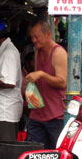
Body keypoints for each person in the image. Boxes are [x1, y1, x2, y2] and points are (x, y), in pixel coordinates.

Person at [25, 20, 67, 149]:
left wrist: (42, 74)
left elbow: (62, 82)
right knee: (34, 151)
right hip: (37, 113)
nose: (34, 40)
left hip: (55, 114)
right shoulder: (38, 51)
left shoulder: (58, 53)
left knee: (56, 152)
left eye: (36, 36)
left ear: (48, 34)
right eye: (32, 37)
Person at [0, 17, 23, 142]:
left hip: (4, 112)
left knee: (6, 148)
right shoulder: (0, 51)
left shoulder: (8, 53)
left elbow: (8, 82)